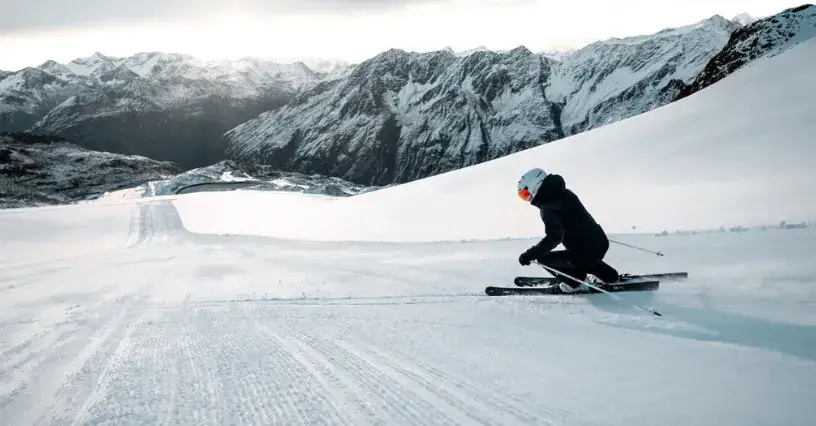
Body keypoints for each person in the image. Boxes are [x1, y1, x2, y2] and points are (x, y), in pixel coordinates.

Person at [516, 168, 621, 293]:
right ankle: (610, 276)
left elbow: (554, 237)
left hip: (585, 252)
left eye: (525, 194)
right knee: (585, 256)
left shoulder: (548, 207)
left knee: (544, 258)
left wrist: (530, 254)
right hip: (600, 242)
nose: (527, 199)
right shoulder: (565, 193)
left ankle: (577, 283)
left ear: (536, 185)